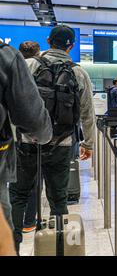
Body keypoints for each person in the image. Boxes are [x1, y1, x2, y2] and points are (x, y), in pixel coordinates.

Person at [9, 25, 95, 252]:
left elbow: (11, 104)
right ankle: (60, 249)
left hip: (26, 142)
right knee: (58, 199)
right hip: (63, 144)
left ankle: (12, 248)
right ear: (72, 46)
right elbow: (87, 112)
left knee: (18, 195)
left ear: (48, 41)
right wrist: (88, 144)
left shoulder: (28, 65)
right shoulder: (79, 73)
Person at [0, 41, 52, 255]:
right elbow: (33, 119)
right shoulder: (6, 58)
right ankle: (32, 225)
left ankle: (22, 231)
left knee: (19, 192)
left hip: (18, 149)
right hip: (34, 143)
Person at [18, 41, 43, 234]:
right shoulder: (42, 68)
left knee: (16, 184)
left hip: (13, 136)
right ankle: (29, 221)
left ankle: (13, 225)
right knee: (35, 179)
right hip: (37, 135)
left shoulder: (14, 69)